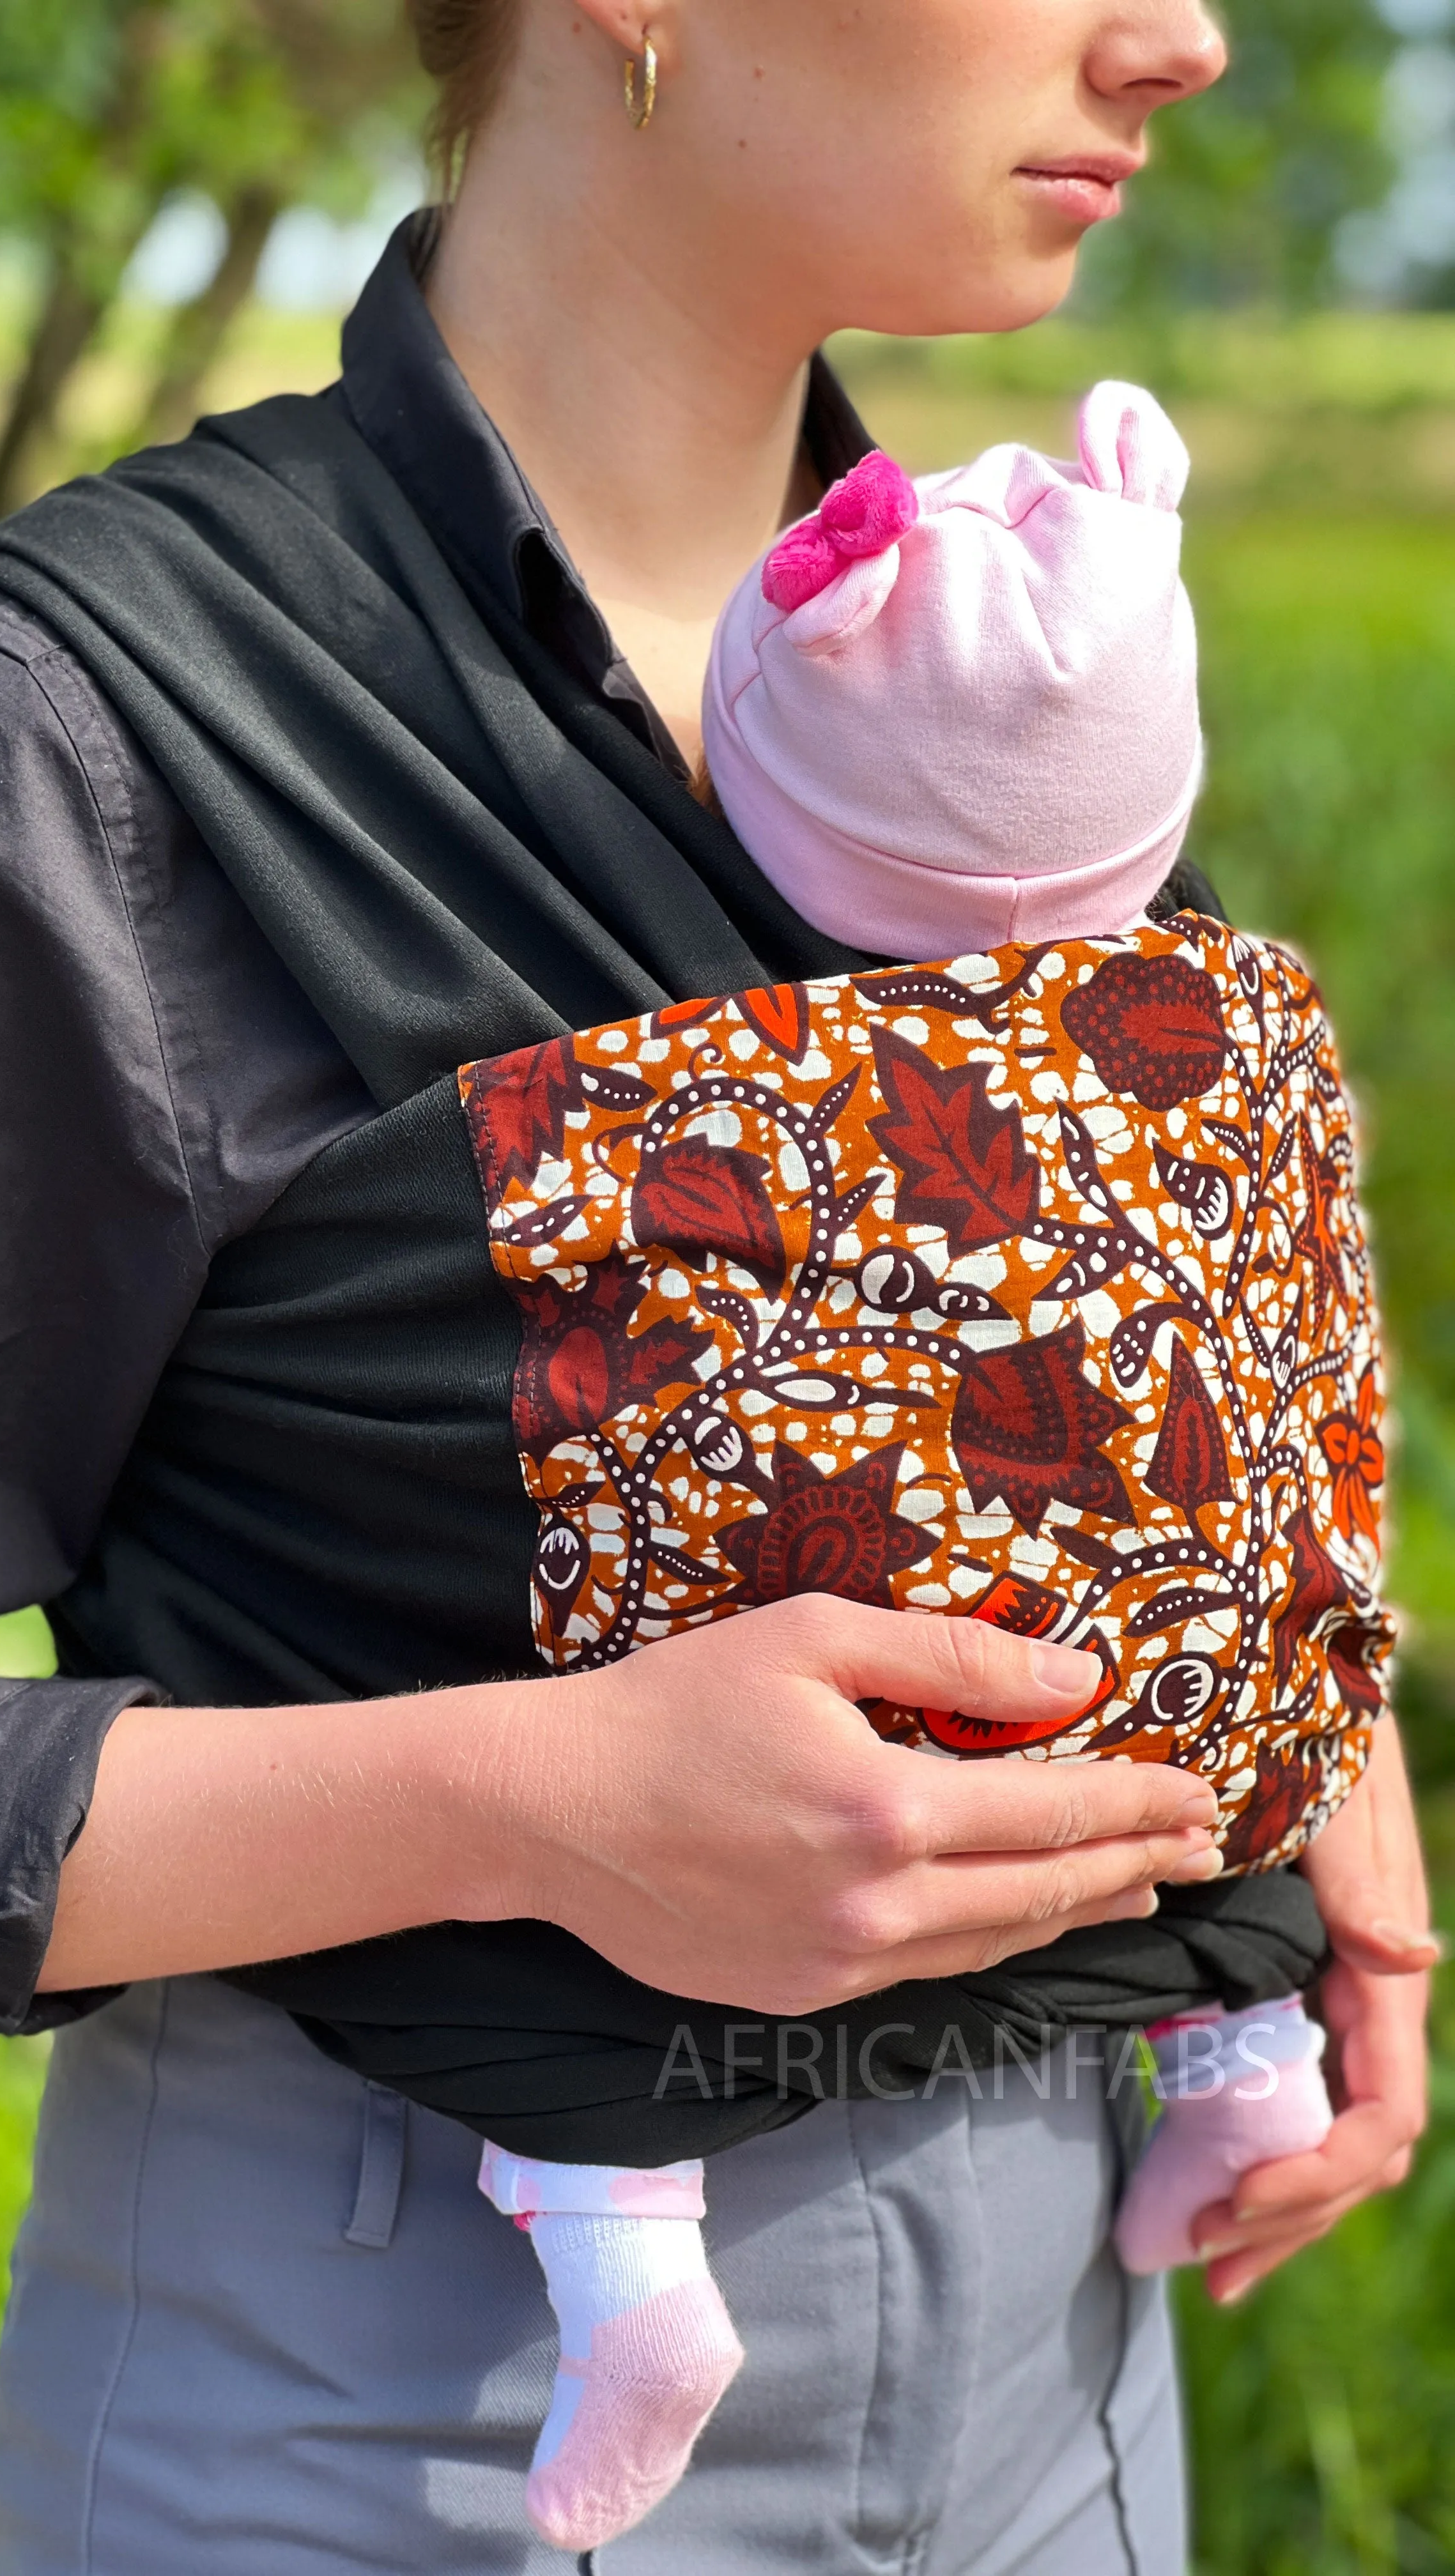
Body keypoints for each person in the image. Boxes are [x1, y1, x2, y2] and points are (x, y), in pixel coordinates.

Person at [0, 4, 1433, 2572]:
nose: (1184, 33)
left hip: (1064, 2357)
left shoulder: (1037, 670)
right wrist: (536, 1809)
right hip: (410, 2413)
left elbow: (1128, 1304)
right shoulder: (78, 739)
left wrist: (1336, 1783)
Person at [445, 383, 1367, 2551]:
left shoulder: (729, 1079)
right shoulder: (1207, 1048)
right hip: (1174, 1709)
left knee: (635, 1794)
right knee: (1188, 1718)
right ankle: (1245, 2076)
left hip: (808, 1716)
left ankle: (627, 2264)